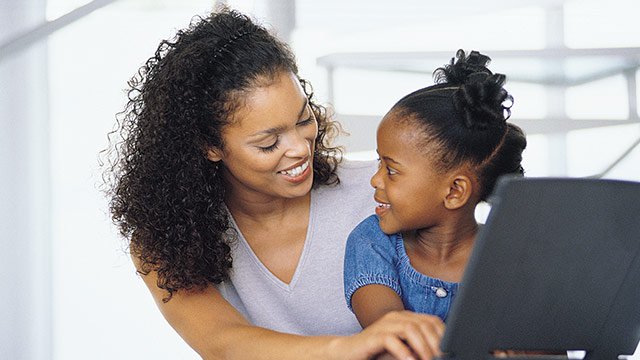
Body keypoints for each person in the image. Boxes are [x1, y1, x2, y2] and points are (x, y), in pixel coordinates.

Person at [104, 8, 445, 360]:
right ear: (210, 146)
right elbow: (223, 343)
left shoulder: (383, 193)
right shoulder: (167, 242)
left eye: (303, 119)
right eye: (268, 143)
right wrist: (359, 345)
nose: (300, 148)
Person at [343, 49, 528, 328]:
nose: (375, 180)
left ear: (454, 192)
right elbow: (393, 339)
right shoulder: (371, 242)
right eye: (379, 163)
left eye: (391, 170)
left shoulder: (510, 258)